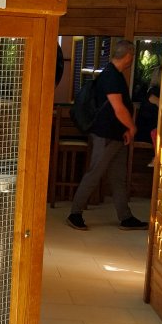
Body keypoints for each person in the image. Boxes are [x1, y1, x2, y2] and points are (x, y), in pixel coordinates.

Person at [67, 39, 149, 231]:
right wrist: (132, 127)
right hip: (105, 135)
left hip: (116, 135)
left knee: (118, 177)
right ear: (128, 55)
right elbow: (118, 108)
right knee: (94, 173)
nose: (132, 60)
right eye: (132, 56)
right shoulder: (111, 76)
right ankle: (75, 213)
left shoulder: (115, 75)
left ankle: (125, 217)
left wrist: (125, 130)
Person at [134, 67, 161, 166]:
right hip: (146, 131)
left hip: (149, 128)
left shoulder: (154, 91)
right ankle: (157, 157)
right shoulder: (153, 92)